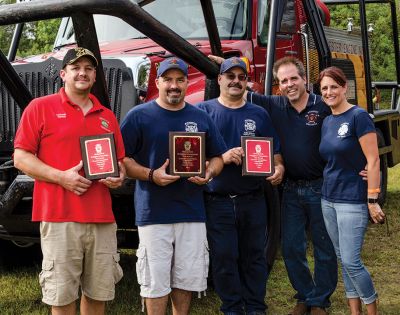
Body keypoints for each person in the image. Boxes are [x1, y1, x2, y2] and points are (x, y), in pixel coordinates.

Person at [209, 55, 337, 315]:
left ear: (305, 80)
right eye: (283, 81)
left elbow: (349, 125)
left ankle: (319, 302)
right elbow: (240, 86)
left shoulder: (323, 105)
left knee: (323, 247)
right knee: (291, 248)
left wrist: (365, 164)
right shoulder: (275, 105)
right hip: (287, 190)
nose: (289, 84)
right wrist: (224, 63)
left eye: (294, 79)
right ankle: (304, 297)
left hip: (318, 188)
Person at [13, 47, 126, 314]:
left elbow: (119, 161)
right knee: (62, 297)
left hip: (101, 219)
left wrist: (118, 174)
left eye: (88, 68)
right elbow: (20, 158)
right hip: (59, 217)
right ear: (63, 74)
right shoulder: (40, 108)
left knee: (98, 294)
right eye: (76, 68)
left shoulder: (106, 116)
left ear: (95, 76)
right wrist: (61, 178)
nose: (82, 73)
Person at [120, 57, 226, 315]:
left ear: (187, 83)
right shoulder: (138, 115)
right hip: (153, 213)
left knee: (186, 279)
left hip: (191, 212)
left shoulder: (199, 116)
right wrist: (150, 174)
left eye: (180, 80)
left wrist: (209, 172)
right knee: (155, 282)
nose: (174, 86)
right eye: (168, 79)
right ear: (157, 82)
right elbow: (122, 158)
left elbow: (218, 156)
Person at [197, 57, 285, 315]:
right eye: (230, 75)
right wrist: (221, 159)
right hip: (218, 200)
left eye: (241, 76)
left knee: (255, 257)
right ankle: (232, 307)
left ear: (246, 82)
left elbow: (276, 154)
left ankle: (256, 307)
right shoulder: (203, 112)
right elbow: (190, 159)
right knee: (223, 258)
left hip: (252, 199)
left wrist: (279, 169)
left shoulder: (259, 114)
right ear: (220, 79)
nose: (236, 80)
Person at [317, 66, 385, 315]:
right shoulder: (327, 121)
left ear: (345, 87)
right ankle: (354, 311)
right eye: (324, 88)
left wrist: (372, 198)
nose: (329, 91)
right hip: (328, 199)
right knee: (342, 259)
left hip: (352, 199)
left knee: (352, 261)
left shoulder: (358, 116)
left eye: (334, 86)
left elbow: (374, 159)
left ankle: (371, 309)